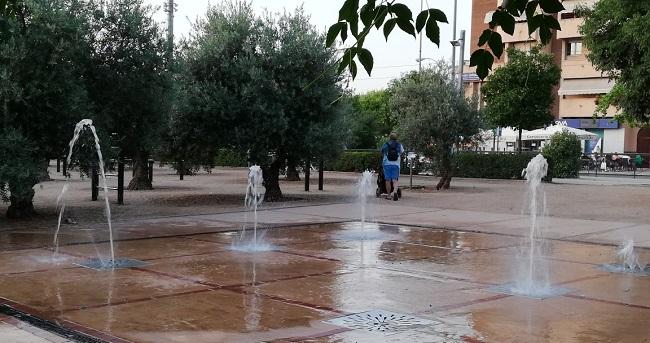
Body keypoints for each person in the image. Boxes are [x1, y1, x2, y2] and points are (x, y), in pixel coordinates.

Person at [380, 132, 404, 201]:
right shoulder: (399, 145)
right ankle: (395, 192)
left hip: (387, 164)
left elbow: (381, 152)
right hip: (396, 164)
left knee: (388, 180)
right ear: (396, 138)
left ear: (389, 138)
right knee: (395, 180)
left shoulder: (386, 144)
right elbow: (402, 152)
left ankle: (389, 195)